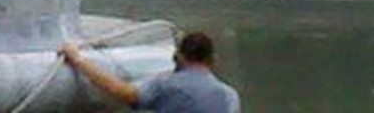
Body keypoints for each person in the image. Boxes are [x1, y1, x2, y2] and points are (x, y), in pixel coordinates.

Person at [59, 31, 241, 112]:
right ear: (212, 59)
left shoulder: (166, 84)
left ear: (179, 56)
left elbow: (123, 92)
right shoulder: (230, 96)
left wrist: (78, 59)